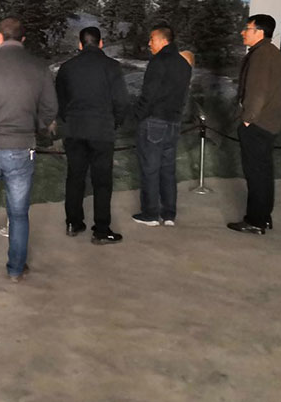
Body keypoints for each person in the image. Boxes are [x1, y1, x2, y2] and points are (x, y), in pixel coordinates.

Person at [0, 17, 57, 285]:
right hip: (22, 147)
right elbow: (50, 108)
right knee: (18, 213)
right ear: (23, 39)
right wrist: (35, 127)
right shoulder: (39, 67)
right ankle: (15, 270)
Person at [55, 26, 129, 244]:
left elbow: (59, 101)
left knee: (74, 178)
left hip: (74, 129)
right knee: (102, 181)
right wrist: (115, 122)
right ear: (101, 43)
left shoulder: (67, 68)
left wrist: (67, 120)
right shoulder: (112, 66)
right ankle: (102, 230)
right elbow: (122, 101)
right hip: (102, 130)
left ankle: (73, 222)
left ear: (80, 44)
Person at [228, 14, 281, 235]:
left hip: (258, 125)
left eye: (247, 28)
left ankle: (255, 221)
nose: (243, 32)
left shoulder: (261, 55)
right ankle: (263, 216)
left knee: (256, 174)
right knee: (263, 172)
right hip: (267, 123)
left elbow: (257, 91)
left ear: (260, 32)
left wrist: (248, 118)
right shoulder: (270, 52)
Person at [132, 25, 192, 227]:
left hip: (154, 122)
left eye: (152, 39)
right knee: (168, 169)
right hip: (173, 122)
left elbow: (148, 94)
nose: (149, 43)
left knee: (150, 169)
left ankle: (150, 214)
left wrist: (137, 116)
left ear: (163, 40)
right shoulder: (183, 64)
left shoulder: (157, 62)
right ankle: (169, 214)